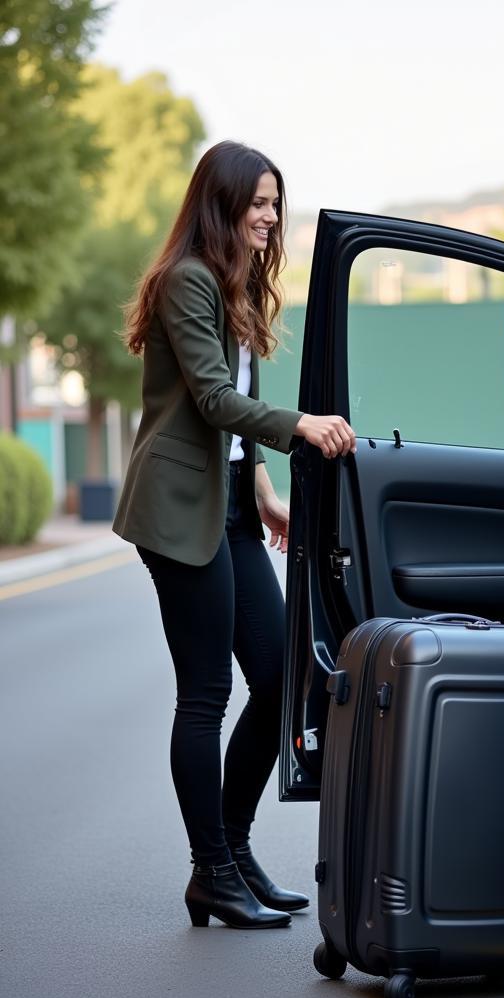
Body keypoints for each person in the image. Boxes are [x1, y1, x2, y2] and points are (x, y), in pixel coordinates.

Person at [114, 141, 356, 929]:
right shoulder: (186, 281)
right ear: (220, 204)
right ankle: (209, 870)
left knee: (281, 677)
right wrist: (302, 427)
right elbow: (215, 402)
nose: (270, 215)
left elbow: (230, 427)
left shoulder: (236, 286)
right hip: (178, 510)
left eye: (275, 203)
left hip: (227, 506)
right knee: (206, 693)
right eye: (256, 202)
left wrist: (262, 492)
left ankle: (234, 850)